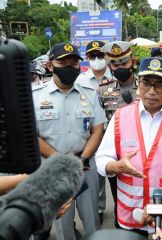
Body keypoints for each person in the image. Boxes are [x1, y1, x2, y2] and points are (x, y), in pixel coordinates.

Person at [95, 57, 162, 237]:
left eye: (159, 84)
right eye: (146, 83)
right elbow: (102, 159)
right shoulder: (120, 117)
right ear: (138, 83)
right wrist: (115, 166)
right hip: (131, 215)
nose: (151, 91)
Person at [32, 42, 107, 240]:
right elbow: (32, 135)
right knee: (63, 224)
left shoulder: (89, 94)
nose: (68, 66)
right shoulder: (35, 97)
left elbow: (97, 129)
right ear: (50, 66)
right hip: (53, 169)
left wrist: (83, 158)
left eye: (73, 63)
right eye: (62, 62)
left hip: (84, 166)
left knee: (92, 220)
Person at [96, 40, 139, 228]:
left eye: (124, 62)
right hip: (117, 156)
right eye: (115, 63)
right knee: (120, 200)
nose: (120, 67)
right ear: (109, 66)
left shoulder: (146, 84)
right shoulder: (103, 89)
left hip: (146, 152)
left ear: (133, 62)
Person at [75, 40, 112, 225]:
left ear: (106, 56)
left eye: (100, 55)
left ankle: (101, 206)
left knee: (108, 172)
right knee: (94, 173)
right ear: (87, 58)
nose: (97, 59)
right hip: (91, 133)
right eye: (92, 56)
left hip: (112, 132)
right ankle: (97, 208)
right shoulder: (80, 80)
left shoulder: (115, 76)